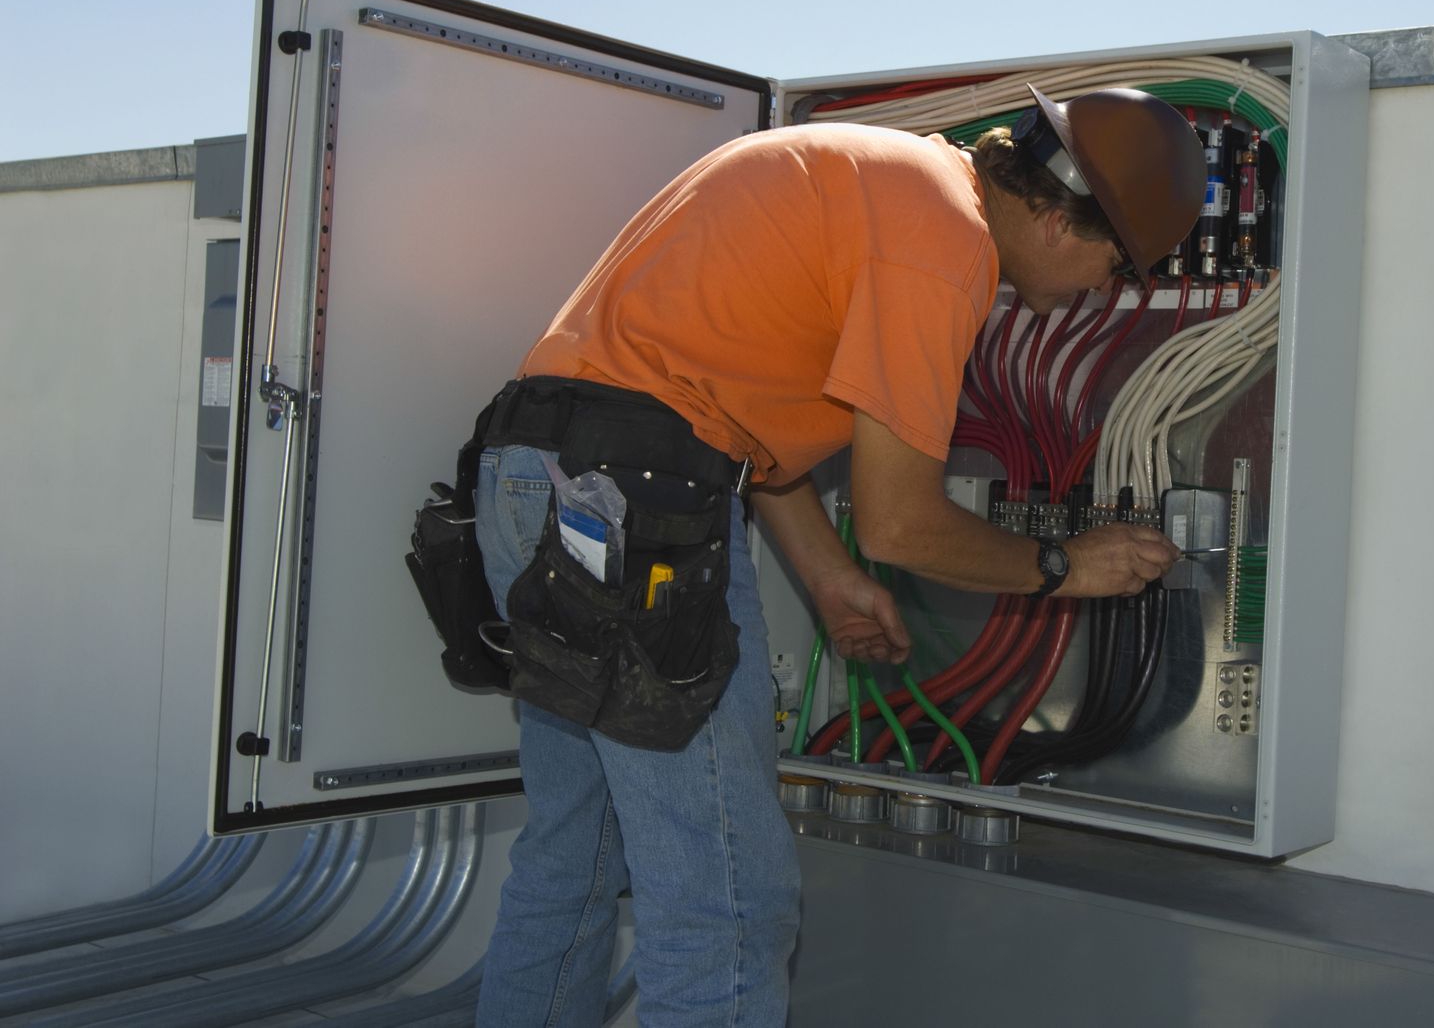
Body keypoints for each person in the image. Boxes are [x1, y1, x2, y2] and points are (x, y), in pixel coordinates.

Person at [473, 85, 1204, 1026]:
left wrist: (826, 577)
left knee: (575, 853)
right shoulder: (943, 240)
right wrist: (1068, 566)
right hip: (638, 514)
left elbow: (736, 416)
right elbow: (901, 523)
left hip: (534, 482)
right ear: (1062, 218)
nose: (1104, 291)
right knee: (725, 898)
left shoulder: (882, 179)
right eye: (1117, 263)